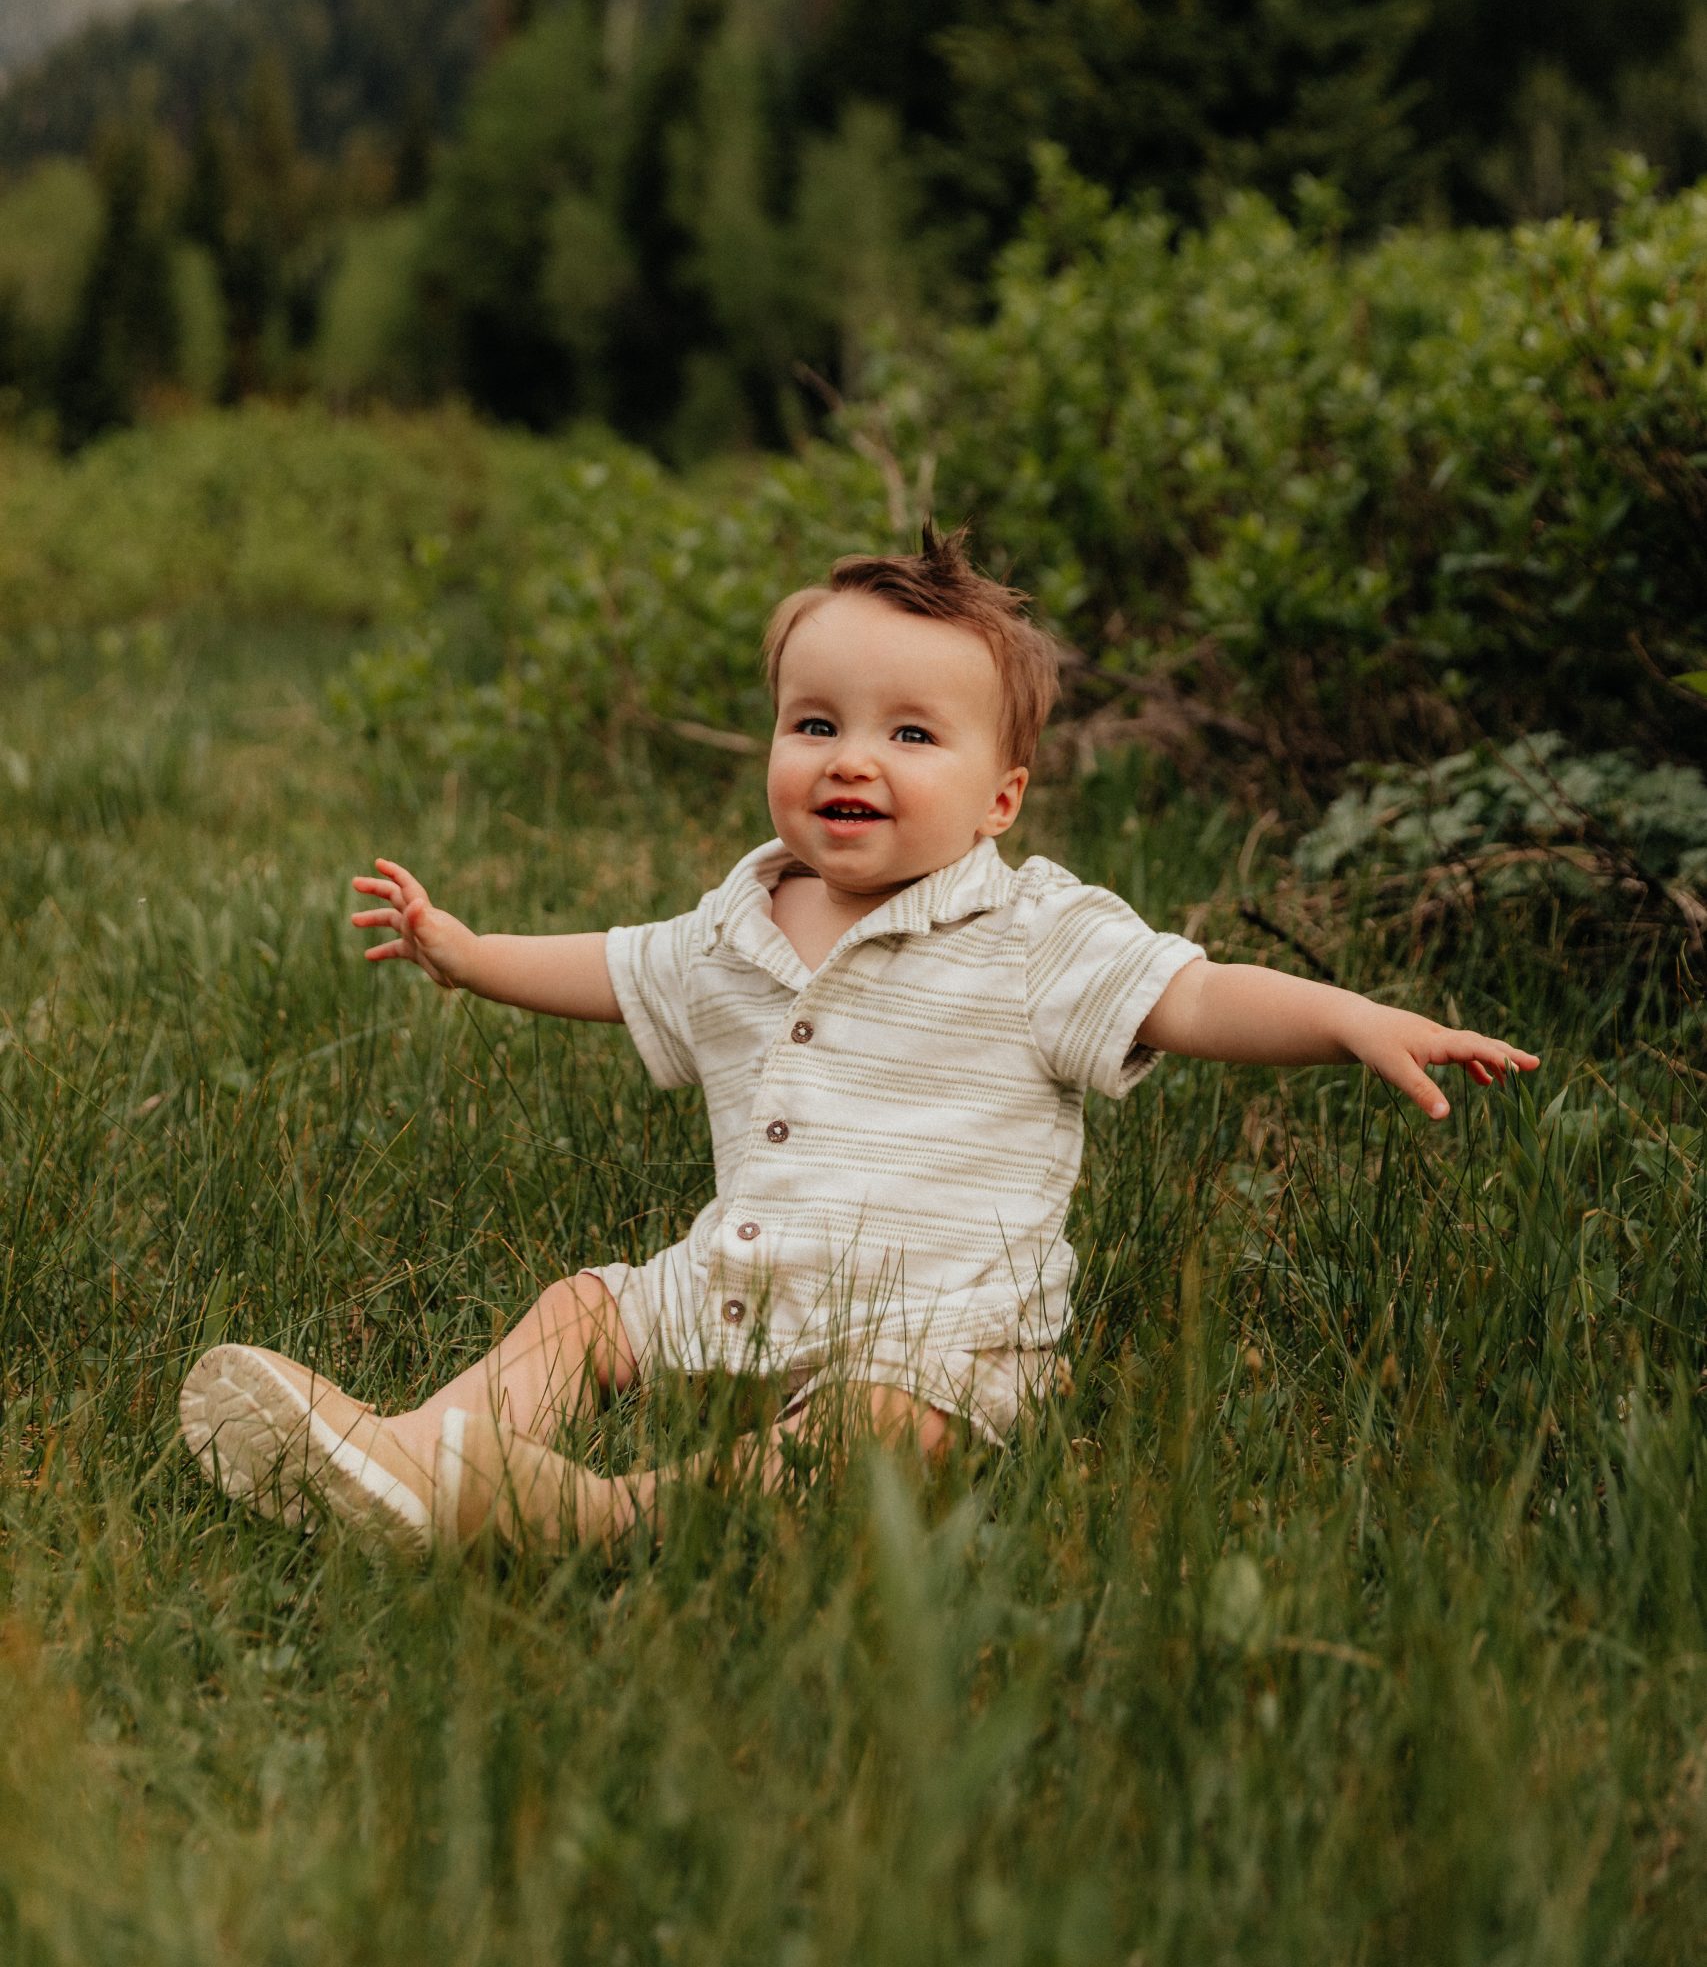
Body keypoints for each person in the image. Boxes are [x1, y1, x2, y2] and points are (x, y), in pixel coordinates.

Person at [179, 528, 1536, 1556]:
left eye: (910, 734)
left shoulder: (1032, 934)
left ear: (1001, 797)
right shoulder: (739, 921)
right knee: (585, 1309)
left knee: (875, 1436)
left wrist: (1350, 1018)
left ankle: (606, 1518)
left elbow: (1197, 995)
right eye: (816, 724)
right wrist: (470, 955)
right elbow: (615, 966)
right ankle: (414, 1452)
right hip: (741, 1281)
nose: (850, 758)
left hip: (938, 1331)